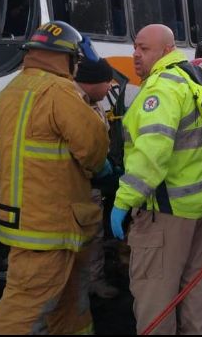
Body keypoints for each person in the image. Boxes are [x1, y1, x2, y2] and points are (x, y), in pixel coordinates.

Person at [0, 21, 110, 335]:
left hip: (24, 217)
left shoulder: (11, 90)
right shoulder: (60, 91)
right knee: (25, 307)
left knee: (69, 298)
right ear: (67, 58)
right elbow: (93, 147)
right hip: (51, 222)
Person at [110, 24, 202, 335]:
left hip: (168, 211)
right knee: (197, 287)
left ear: (165, 50)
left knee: (155, 297)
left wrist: (123, 202)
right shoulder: (195, 78)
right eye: (135, 46)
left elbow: (152, 154)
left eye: (144, 48)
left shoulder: (160, 89)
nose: (135, 54)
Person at [75, 57, 121, 300]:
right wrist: (105, 170)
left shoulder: (92, 104)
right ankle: (84, 283)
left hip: (90, 183)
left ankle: (93, 280)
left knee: (93, 234)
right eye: (107, 83)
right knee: (87, 235)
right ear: (94, 82)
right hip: (78, 185)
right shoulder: (73, 105)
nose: (109, 89)